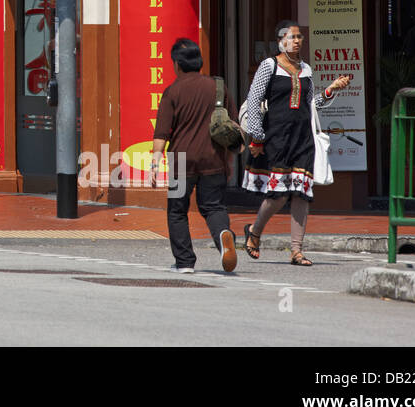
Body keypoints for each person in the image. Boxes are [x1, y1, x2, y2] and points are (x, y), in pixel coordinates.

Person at [242, 20, 352, 266]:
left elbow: (312, 104)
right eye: (291, 37)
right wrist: (257, 136)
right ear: (280, 41)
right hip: (277, 137)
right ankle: (255, 231)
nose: (297, 40)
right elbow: (254, 100)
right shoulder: (269, 66)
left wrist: (331, 89)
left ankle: (296, 250)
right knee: (279, 194)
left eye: (299, 37)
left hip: (303, 137)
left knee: (302, 192)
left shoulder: (306, 69)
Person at [149, 37, 238, 274]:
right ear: (199, 62)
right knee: (213, 207)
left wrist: (155, 162)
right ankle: (223, 238)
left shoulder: (173, 91)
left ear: (177, 64)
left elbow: (162, 132)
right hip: (213, 159)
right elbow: (232, 123)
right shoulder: (217, 87)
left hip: (180, 162)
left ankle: (185, 262)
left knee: (177, 210)